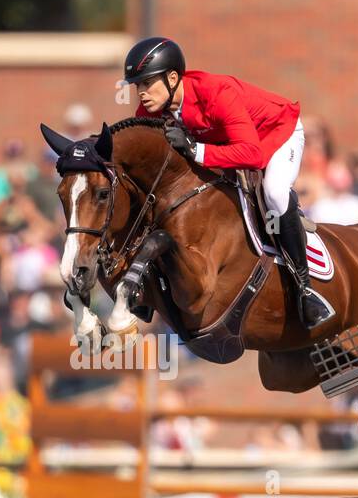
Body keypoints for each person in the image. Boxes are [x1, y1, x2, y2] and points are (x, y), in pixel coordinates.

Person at [124, 36, 334, 329]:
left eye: (147, 83)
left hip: (275, 135)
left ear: (173, 78)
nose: (141, 93)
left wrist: (195, 150)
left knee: (273, 193)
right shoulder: (150, 112)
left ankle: (304, 288)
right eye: (137, 86)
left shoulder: (216, 92)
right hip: (230, 147)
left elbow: (251, 153)